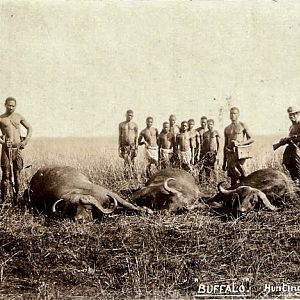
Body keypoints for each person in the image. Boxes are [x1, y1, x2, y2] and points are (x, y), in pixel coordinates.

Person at [0, 97, 32, 204]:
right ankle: (4, 201)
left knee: (17, 174)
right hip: (6, 150)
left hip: (17, 149)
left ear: (15, 106)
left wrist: (25, 141)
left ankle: (17, 200)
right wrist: (3, 142)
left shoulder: (18, 117)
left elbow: (30, 128)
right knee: (6, 175)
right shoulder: (1, 118)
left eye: (13, 106)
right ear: (5, 105)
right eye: (9, 105)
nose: (11, 107)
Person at [223, 107, 254, 185]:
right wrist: (224, 162)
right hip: (230, 155)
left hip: (240, 155)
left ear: (238, 114)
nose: (233, 115)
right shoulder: (227, 128)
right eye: (231, 113)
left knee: (243, 176)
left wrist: (240, 144)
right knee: (233, 178)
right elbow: (225, 145)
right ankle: (234, 196)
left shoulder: (242, 125)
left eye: (235, 113)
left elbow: (251, 139)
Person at [280, 107, 300, 186]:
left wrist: (294, 138)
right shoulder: (291, 127)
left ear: (297, 114)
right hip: (291, 147)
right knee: (287, 162)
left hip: (298, 147)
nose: (292, 117)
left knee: (297, 164)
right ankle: (295, 180)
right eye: (290, 115)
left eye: (293, 114)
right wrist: (286, 140)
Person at [118, 110, 138, 177]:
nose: (129, 116)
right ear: (126, 115)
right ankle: (125, 175)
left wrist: (136, 148)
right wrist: (119, 148)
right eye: (128, 115)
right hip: (124, 145)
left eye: (131, 115)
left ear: (133, 116)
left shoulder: (135, 125)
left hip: (132, 145)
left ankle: (132, 174)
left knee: (132, 160)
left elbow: (136, 137)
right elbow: (120, 136)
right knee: (125, 160)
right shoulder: (121, 124)